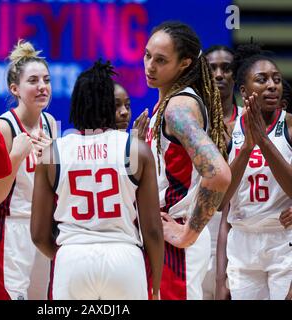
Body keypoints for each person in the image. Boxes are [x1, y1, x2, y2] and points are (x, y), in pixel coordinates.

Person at [31, 60, 164, 300]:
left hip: (72, 257)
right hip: (124, 258)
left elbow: (39, 235)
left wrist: (67, 256)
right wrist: (156, 285)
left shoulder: (53, 153)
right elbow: (153, 230)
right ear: (108, 105)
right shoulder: (137, 150)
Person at [144, 21, 231, 300]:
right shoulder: (167, 103)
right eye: (147, 55)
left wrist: (187, 235)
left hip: (176, 241)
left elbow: (218, 174)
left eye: (161, 60)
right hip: (162, 238)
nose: (150, 66)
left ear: (184, 64)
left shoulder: (178, 108)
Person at [0, 39, 57, 300]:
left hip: (41, 232)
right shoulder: (3, 128)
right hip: (6, 234)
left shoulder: (50, 122)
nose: (42, 87)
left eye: (46, 79)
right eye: (33, 81)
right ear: (15, 89)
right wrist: (15, 158)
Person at [217, 43, 292, 300]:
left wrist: (264, 141)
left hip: (283, 237)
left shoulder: (290, 124)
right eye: (262, 80)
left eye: (276, 80)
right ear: (243, 90)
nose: (272, 85)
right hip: (243, 239)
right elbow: (219, 201)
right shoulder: (227, 132)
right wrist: (247, 148)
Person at [202, 44, 239, 300]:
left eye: (226, 69)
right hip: (197, 227)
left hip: (239, 227)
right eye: (211, 68)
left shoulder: (254, 121)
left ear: (236, 76)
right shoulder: (187, 121)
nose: (218, 74)